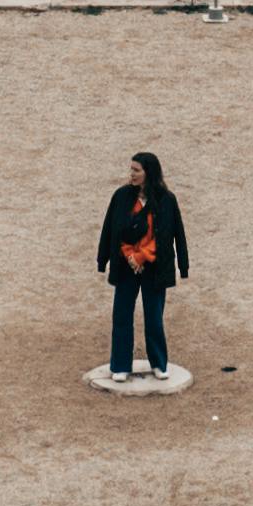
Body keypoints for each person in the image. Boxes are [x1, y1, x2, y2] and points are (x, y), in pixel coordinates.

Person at [93, 144, 189, 388]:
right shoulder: (121, 196)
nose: (131, 173)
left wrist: (149, 258)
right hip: (127, 267)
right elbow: (111, 230)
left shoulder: (167, 200)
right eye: (131, 169)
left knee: (154, 318)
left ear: (149, 172)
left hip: (154, 268)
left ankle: (158, 363)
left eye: (136, 170)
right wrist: (112, 259)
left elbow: (172, 234)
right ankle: (120, 366)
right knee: (122, 316)